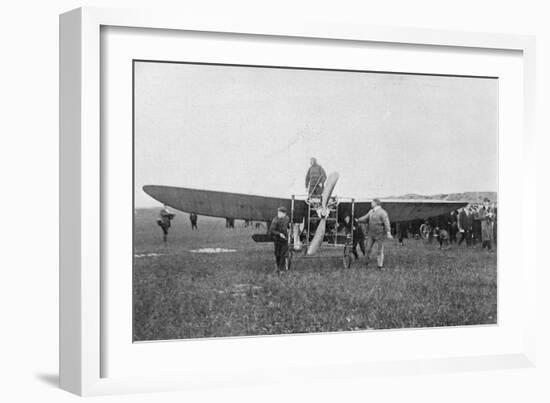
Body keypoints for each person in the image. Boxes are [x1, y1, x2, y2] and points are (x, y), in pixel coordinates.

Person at [357, 198, 392, 270]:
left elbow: (386, 222)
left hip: (379, 234)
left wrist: (388, 232)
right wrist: (358, 220)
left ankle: (380, 266)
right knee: (367, 249)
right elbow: (365, 218)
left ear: (376, 203)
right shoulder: (371, 211)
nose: (371, 203)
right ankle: (366, 263)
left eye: (372, 202)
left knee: (380, 250)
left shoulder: (383, 212)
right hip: (371, 233)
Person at [269, 207, 290, 273]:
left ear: (284, 213)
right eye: (279, 213)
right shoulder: (275, 220)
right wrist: (279, 234)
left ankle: (281, 270)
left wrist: (289, 229)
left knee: (283, 254)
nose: (279, 214)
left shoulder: (287, 218)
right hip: (277, 239)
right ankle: (278, 267)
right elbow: (272, 230)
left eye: (281, 213)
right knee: (277, 254)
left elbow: (288, 225)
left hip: (284, 240)